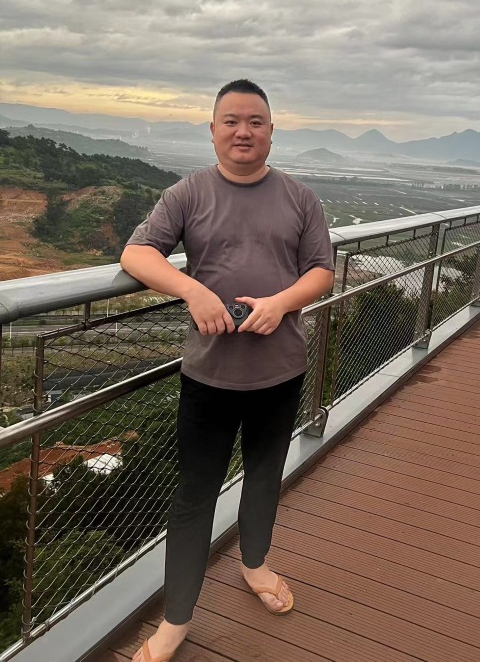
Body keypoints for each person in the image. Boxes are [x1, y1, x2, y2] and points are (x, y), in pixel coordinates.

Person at [120, 80, 334, 662]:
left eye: (255, 122)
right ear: (213, 130)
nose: (244, 131)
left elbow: (321, 270)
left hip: (280, 370)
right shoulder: (187, 193)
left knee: (265, 475)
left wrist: (281, 303)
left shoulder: (300, 198)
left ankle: (256, 564)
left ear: (271, 132)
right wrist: (192, 290)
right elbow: (136, 253)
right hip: (209, 375)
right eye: (232, 121)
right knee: (195, 495)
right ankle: (176, 619)